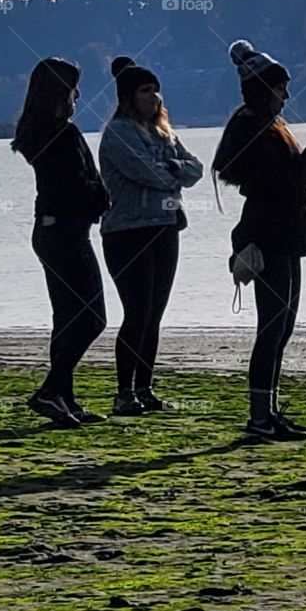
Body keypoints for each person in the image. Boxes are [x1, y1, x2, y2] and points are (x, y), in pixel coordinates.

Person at [212, 39, 306, 443]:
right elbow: (290, 182)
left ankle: (268, 412)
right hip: (270, 237)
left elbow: (288, 180)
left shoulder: (263, 128)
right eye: (280, 88)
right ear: (263, 89)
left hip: (280, 236)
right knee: (272, 329)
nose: (286, 96)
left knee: (280, 328)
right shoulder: (255, 132)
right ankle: (259, 417)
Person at [99, 56, 203, 415]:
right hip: (127, 232)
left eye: (156, 90)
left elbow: (197, 168)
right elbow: (146, 173)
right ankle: (123, 392)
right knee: (137, 311)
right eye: (146, 90)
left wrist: (173, 168)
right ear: (129, 96)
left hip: (165, 229)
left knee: (155, 313)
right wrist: (173, 174)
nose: (155, 96)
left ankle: (145, 387)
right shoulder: (117, 134)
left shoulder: (165, 133)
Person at [12, 58, 109, 428]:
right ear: (60, 93)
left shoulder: (36, 134)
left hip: (50, 231)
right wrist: (102, 199)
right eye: (73, 89)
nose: (78, 96)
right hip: (68, 232)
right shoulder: (64, 135)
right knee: (92, 317)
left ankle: (63, 396)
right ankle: (52, 389)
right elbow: (79, 186)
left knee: (67, 318)